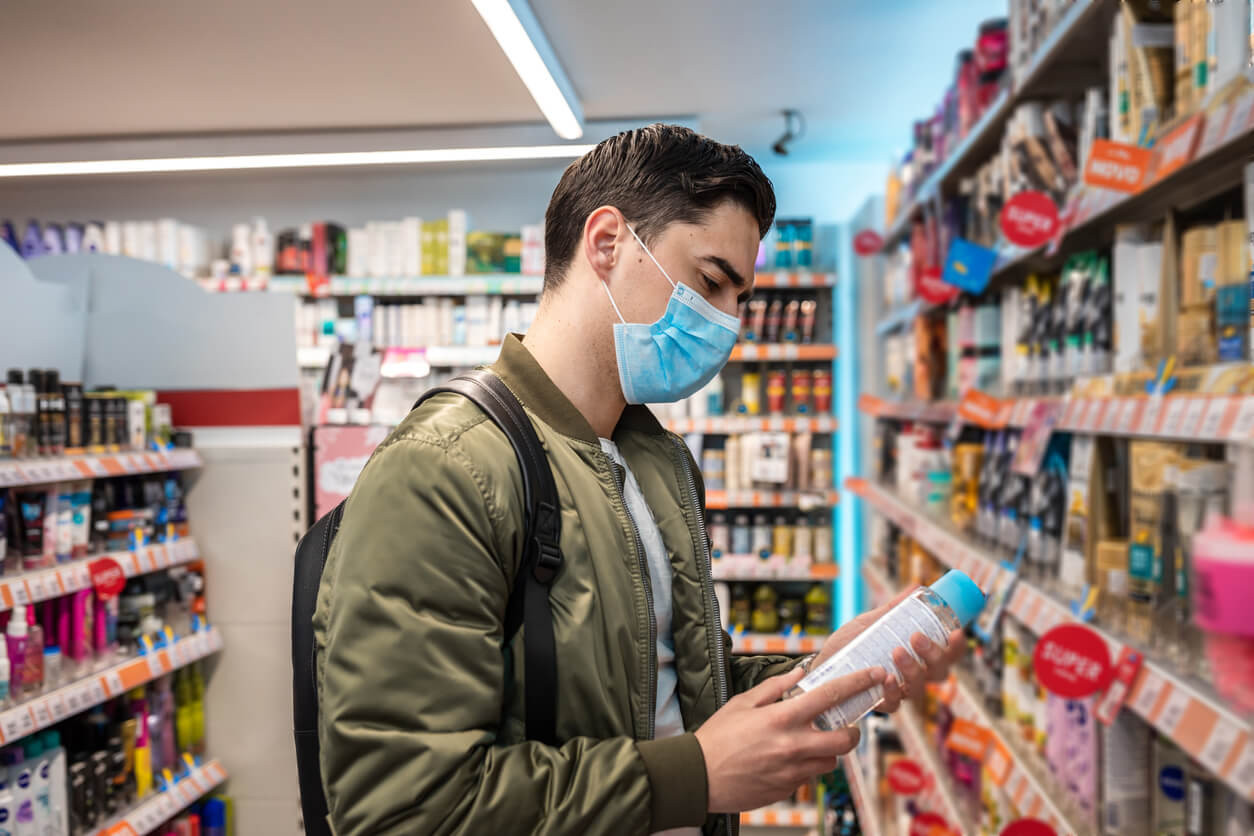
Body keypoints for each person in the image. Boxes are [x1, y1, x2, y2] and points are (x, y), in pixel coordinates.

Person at [313, 124, 962, 836]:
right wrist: (696, 776)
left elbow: (670, 702)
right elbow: (403, 809)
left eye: (740, 298)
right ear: (607, 243)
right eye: (712, 282)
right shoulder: (444, 470)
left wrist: (824, 674)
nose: (729, 323)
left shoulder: (658, 463)